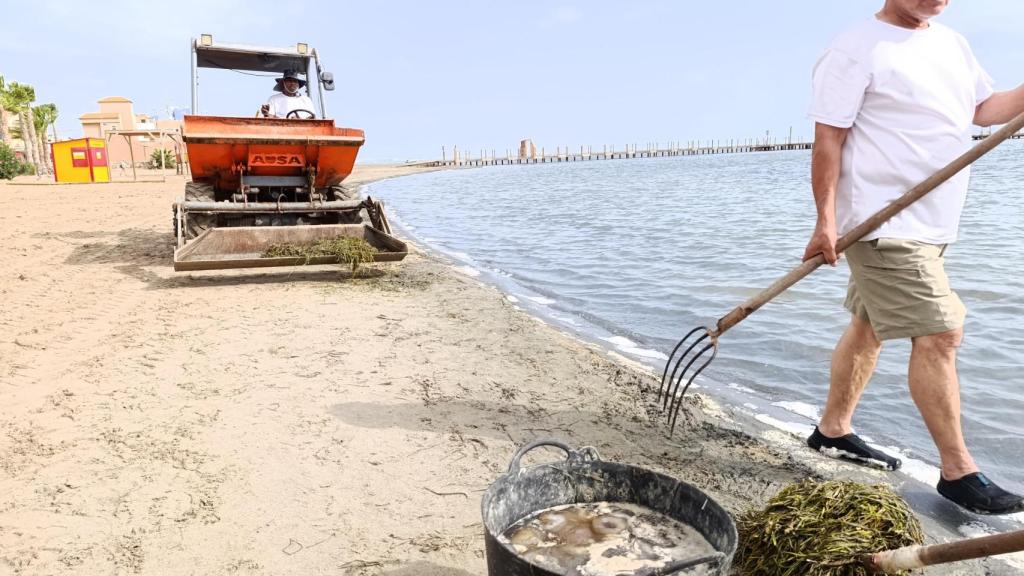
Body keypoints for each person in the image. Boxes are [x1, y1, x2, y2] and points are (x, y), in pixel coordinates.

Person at [802, 0, 1024, 514]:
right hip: (881, 223)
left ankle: (833, 430)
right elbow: (828, 140)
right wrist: (826, 221)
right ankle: (959, 471)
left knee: (869, 326)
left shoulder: (950, 42)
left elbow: (982, 108)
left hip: (931, 224)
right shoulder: (854, 48)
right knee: (942, 332)